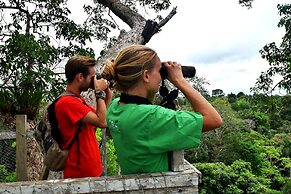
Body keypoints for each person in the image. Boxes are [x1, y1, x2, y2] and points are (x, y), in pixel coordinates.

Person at [101, 45, 223, 175]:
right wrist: (179, 80)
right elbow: (214, 120)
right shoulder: (151, 116)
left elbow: (140, 105)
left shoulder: (115, 107)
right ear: (146, 75)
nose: (161, 77)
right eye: (160, 71)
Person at [55, 55, 112, 178]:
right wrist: (99, 93)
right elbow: (102, 122)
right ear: (80, 77)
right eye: (92, 78)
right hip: (81, 175)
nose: (94, 81)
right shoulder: (67, 102)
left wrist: (107, 94)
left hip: (93, 171)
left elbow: (100, 117)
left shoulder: (77, 99)